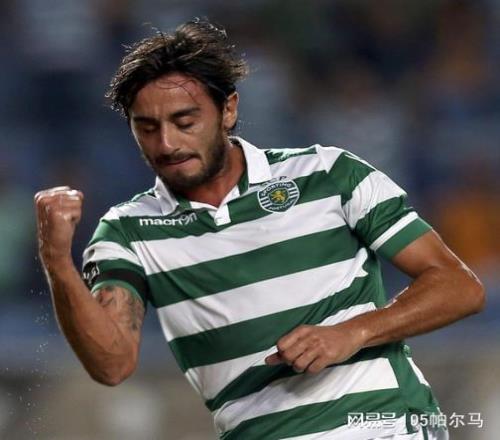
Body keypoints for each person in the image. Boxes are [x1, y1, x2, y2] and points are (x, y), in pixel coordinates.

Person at [34, 19, 484, 440]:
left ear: (228, 109)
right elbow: (112, 365)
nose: (167, 143)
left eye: (185, 122)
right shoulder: (127, 232)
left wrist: (354, 332)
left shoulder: (329, 174)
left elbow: (459, 286)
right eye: (147, 128)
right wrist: (56, 261)